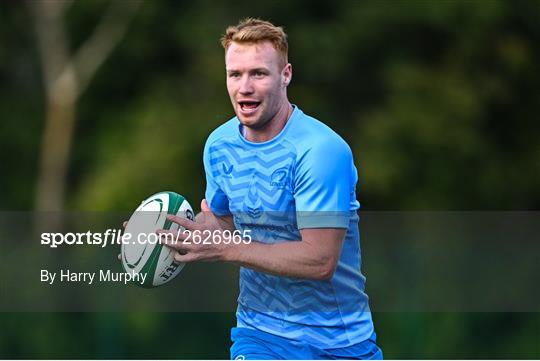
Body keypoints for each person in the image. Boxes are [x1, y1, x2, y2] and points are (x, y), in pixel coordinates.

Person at [160, 18, 383, 360]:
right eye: (235, 74)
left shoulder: (320, 151)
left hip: (338, 344)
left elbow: (320, 260)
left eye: (258, 74)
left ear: (286, 75)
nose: (244, 87)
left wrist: (226, 247)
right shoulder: (219, 146)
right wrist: (169, 232)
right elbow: (224, 226)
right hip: (259, 334)